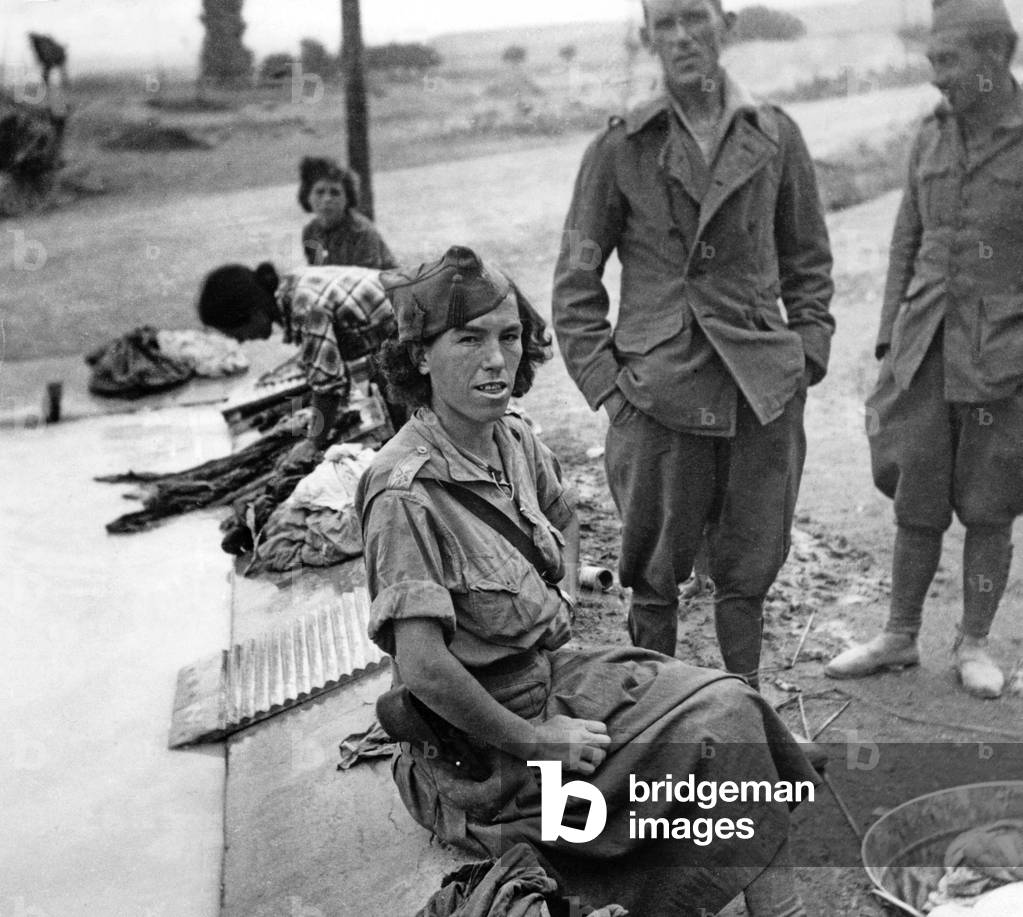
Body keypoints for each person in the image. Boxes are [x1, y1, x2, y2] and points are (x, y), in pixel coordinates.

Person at [358, 245, 818, 917]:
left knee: (733, 706)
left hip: (556, 676)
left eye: (509, 336)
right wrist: (536, 740)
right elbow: (423, 668)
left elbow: (563, 514)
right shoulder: (402, 490)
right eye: (468, 339)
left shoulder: (510, 438)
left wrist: (564, 593)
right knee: (715, 739)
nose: (495, 359)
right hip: (485, 752)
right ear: (420, 356)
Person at [551, 0, 835, 687]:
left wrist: (804, 357)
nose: (681, 36)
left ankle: (746, 707)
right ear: (647, 38)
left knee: (748, 571)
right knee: (652, 579)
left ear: (725, 27)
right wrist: (612, 394)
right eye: (665, 24)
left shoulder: (775, 134)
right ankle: (658, 724)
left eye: (694, 18)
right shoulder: (620, 147)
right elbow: (575, 283)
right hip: (656, 396)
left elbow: (807, 262)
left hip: (759, 392)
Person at [826, 0, 1023, 699]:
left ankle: (972, 641)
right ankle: (898, 634)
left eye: (949, 61)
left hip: (1002, 357)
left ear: (995, 54)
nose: (935, 78)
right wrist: (887, 340)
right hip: (923, 347)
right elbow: (904, 241)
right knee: (916, 495)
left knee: (989, 504)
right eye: (930, 60)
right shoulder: (928, 136)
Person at [196, 261, 405, 452]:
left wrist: (312, 443)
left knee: (409, 418)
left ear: (253, 314)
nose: (242, 341)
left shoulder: (305, 308)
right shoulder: (289, 288)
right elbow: (329, 368)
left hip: (415, 323)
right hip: (397, 324)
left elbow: (328, 387)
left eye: (238, 333)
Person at [298, 156, 398, 270]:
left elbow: (367, 279)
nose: (327, 199)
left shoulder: (361, 231)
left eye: (335, 193)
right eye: (319, 192)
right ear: (307, 196)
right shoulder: (310, 232)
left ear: (348, 198)